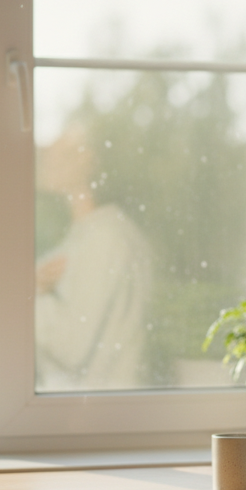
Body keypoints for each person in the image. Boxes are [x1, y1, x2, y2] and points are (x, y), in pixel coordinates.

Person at [34, 122, 153, 392]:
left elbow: (71, 346)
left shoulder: (107, 238)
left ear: (89, 160)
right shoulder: (83, 237)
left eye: (63, 147)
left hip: (98, 416)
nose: (47, 151)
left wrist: (28, 297)